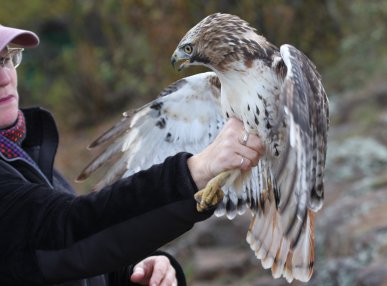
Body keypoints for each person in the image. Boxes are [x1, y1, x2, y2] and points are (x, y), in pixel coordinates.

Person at [0, 24, 264, 286]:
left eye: (6, 60)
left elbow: (62, 256)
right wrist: (196, 171)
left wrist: (133, 272)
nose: (4, 77)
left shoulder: (24, 156)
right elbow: (64, 232)